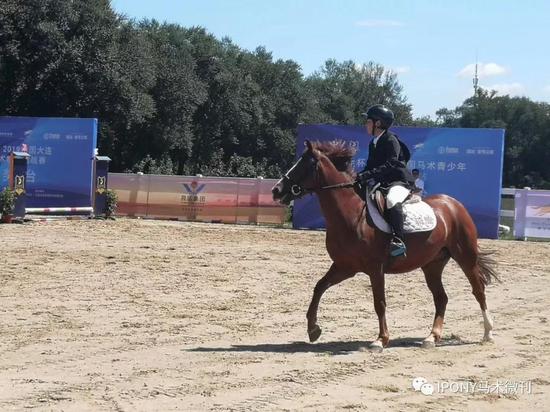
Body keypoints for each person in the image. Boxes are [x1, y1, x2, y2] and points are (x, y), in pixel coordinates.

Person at [354, 104, 415, 257]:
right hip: (383, 182)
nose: (365, 125)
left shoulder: (391, 139)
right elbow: (370, 166)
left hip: (399, 181)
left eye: (368, 121)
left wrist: (368, 175)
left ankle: (399, 242)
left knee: (392, 201)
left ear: (378, 123)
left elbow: (391, 164)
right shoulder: (373, 142)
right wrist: (358, 177)